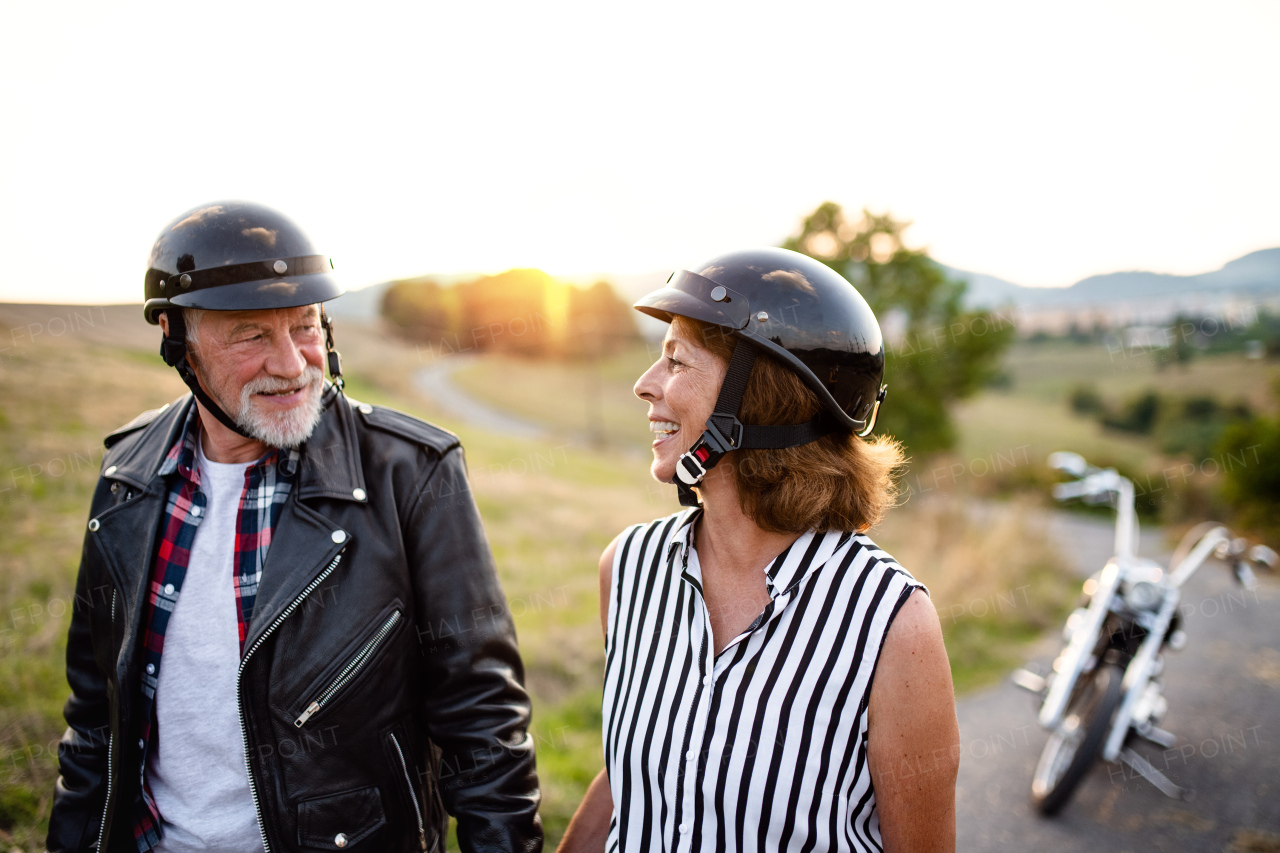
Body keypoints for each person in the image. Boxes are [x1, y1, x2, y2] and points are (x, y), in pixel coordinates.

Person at [47, 202, 542, 853]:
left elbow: (484, 724)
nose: (291, 363)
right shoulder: (127, 474)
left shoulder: (412, 473)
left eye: (304, 325)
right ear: (175, 338)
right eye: (250, 334)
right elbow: (93, 719)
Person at [558, 248, 959, 852]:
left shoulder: (891, 623)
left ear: (760, 398)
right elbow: (630, 780)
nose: (645, 386)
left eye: (676, 362)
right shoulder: (628, 566)